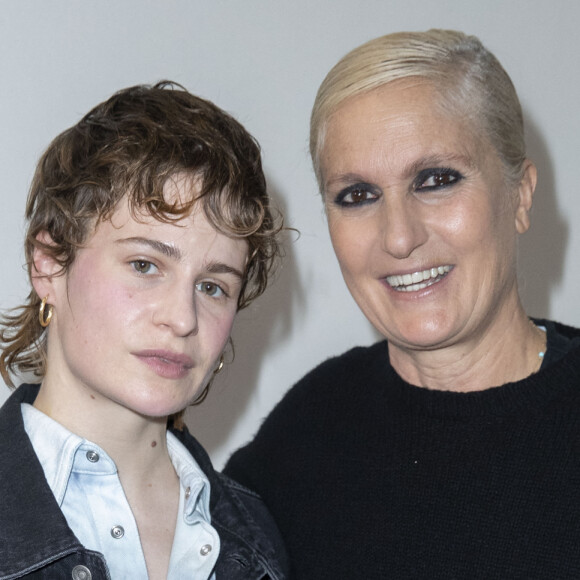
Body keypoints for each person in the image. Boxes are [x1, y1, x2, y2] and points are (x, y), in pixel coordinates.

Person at [225, 29, 580, 579]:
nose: (398, 237)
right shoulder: (305, 439)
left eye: (436, 180)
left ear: (522, 195)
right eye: (358, 196)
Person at [0, 82, 288, 579]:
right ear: (47, 265)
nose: (182, 319)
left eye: (213, 287)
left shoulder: (259, 536)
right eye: (144, 264)